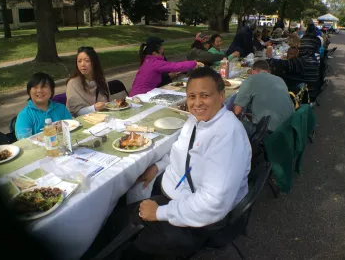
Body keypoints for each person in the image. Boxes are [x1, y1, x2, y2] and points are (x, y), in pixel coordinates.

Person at [106, 67, 252, 259]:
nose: (197, 102)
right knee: (118, 221)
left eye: (205, 95)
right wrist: (157, 168)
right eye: (191, 96)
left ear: (222, 95)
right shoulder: (197, 120)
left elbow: (213, 203)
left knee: (125, 241)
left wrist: (160, 213)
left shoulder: (227, 135)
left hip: (201, 220)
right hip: (179, 199)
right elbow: (184, 151)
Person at [233, 60, 294, 137]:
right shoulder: (280, 79)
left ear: (253, 71)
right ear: (269, 71)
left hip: (268, 132)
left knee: (231, 123)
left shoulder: (251, 79)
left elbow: (237, 111)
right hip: (287, 128)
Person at [130, 39, 203, 96]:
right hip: (141, 95)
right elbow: (175, 66)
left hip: (140, 93)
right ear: (154, 53)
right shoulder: (154, 63)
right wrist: (194, 63)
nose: (163, 56)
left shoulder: (148, 61)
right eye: (162, 53)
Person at [15, 73, 72, 138]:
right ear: (29, 91)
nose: (39, 90)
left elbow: (71, 128)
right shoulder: (25, 115)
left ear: (51, 90)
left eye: (44, 86)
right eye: (35, 87)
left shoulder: (61, 108)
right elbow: (24, 140)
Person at [66, 47, 110, 117]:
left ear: (94, 63)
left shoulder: (101, 80)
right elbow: (75, 112)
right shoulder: (72, 83)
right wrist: (94, 108)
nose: (82, 64)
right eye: (79, 61)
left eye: (87, 61)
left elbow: (107, 104)